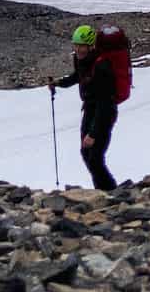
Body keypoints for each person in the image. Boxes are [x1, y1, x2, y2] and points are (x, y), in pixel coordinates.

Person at [51, 23, 118, 191]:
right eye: (76, 45)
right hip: (89, 109)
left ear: (90, 46)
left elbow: (105, 104)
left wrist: (93, 134)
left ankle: (110, 191)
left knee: (94, 156)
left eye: (82, 46)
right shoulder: (81, 60)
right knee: (86, 153)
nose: (78, 49)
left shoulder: (102, 66)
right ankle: (104, 191)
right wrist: (59, 83)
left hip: (104, 112)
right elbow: (78, 77)